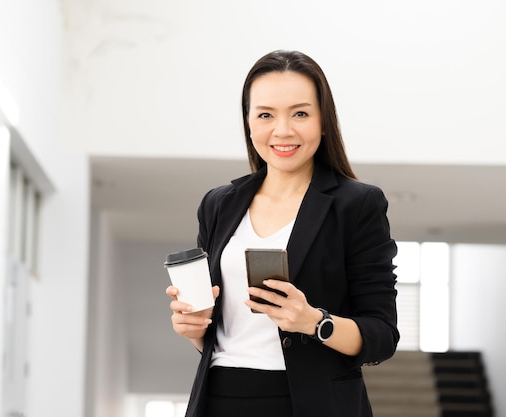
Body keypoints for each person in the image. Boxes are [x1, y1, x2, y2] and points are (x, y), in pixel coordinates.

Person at [167, 50, 399, 417]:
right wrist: (194, 326)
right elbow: (218, 337)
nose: (283, 130)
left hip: (311, 404)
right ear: (248, 123)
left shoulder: (357, 205)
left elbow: (382, 336)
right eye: (265, 115)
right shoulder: (218, 204)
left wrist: (313, 321)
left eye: (300, 113)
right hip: (220, 398)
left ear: (324, 121)